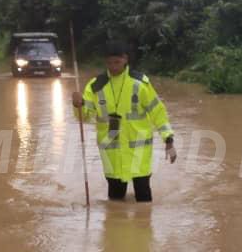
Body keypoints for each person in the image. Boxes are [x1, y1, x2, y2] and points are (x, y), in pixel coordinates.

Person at [72, 37, 177, 202]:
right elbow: (84, 116)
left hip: (138, 150)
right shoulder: (95, 86)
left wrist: (168, 139)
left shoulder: (140, 83)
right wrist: (78, 104)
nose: (113, 67)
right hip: (111, 151)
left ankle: (143, 228)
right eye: (109, 63)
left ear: (125, 59)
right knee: (115, 200)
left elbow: (158, 112)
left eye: (117, 62)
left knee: (143, 198)